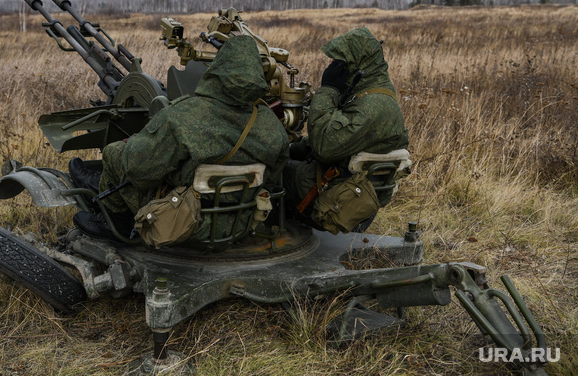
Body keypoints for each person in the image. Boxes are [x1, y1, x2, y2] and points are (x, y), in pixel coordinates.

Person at [72, 34, 290, 241]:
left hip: (182, 225)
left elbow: (137, 170)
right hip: (238, 223)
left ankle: (115, 227)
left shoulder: (183, 117)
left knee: (114, 154)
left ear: (217, 72)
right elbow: (272, 177)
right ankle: (96, 185)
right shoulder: (271, 123)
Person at [284, 27, 408, 233]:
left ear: (357, 66)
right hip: (354, 186)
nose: (333, 66)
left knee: (276, 171)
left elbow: (324, 147)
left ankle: (272, 234)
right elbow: (346, 139)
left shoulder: (370, 107)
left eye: (339, 62)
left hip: (341, 195)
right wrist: (291, 148)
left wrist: (328, 90)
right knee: (287, 156)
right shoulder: (376, 93)